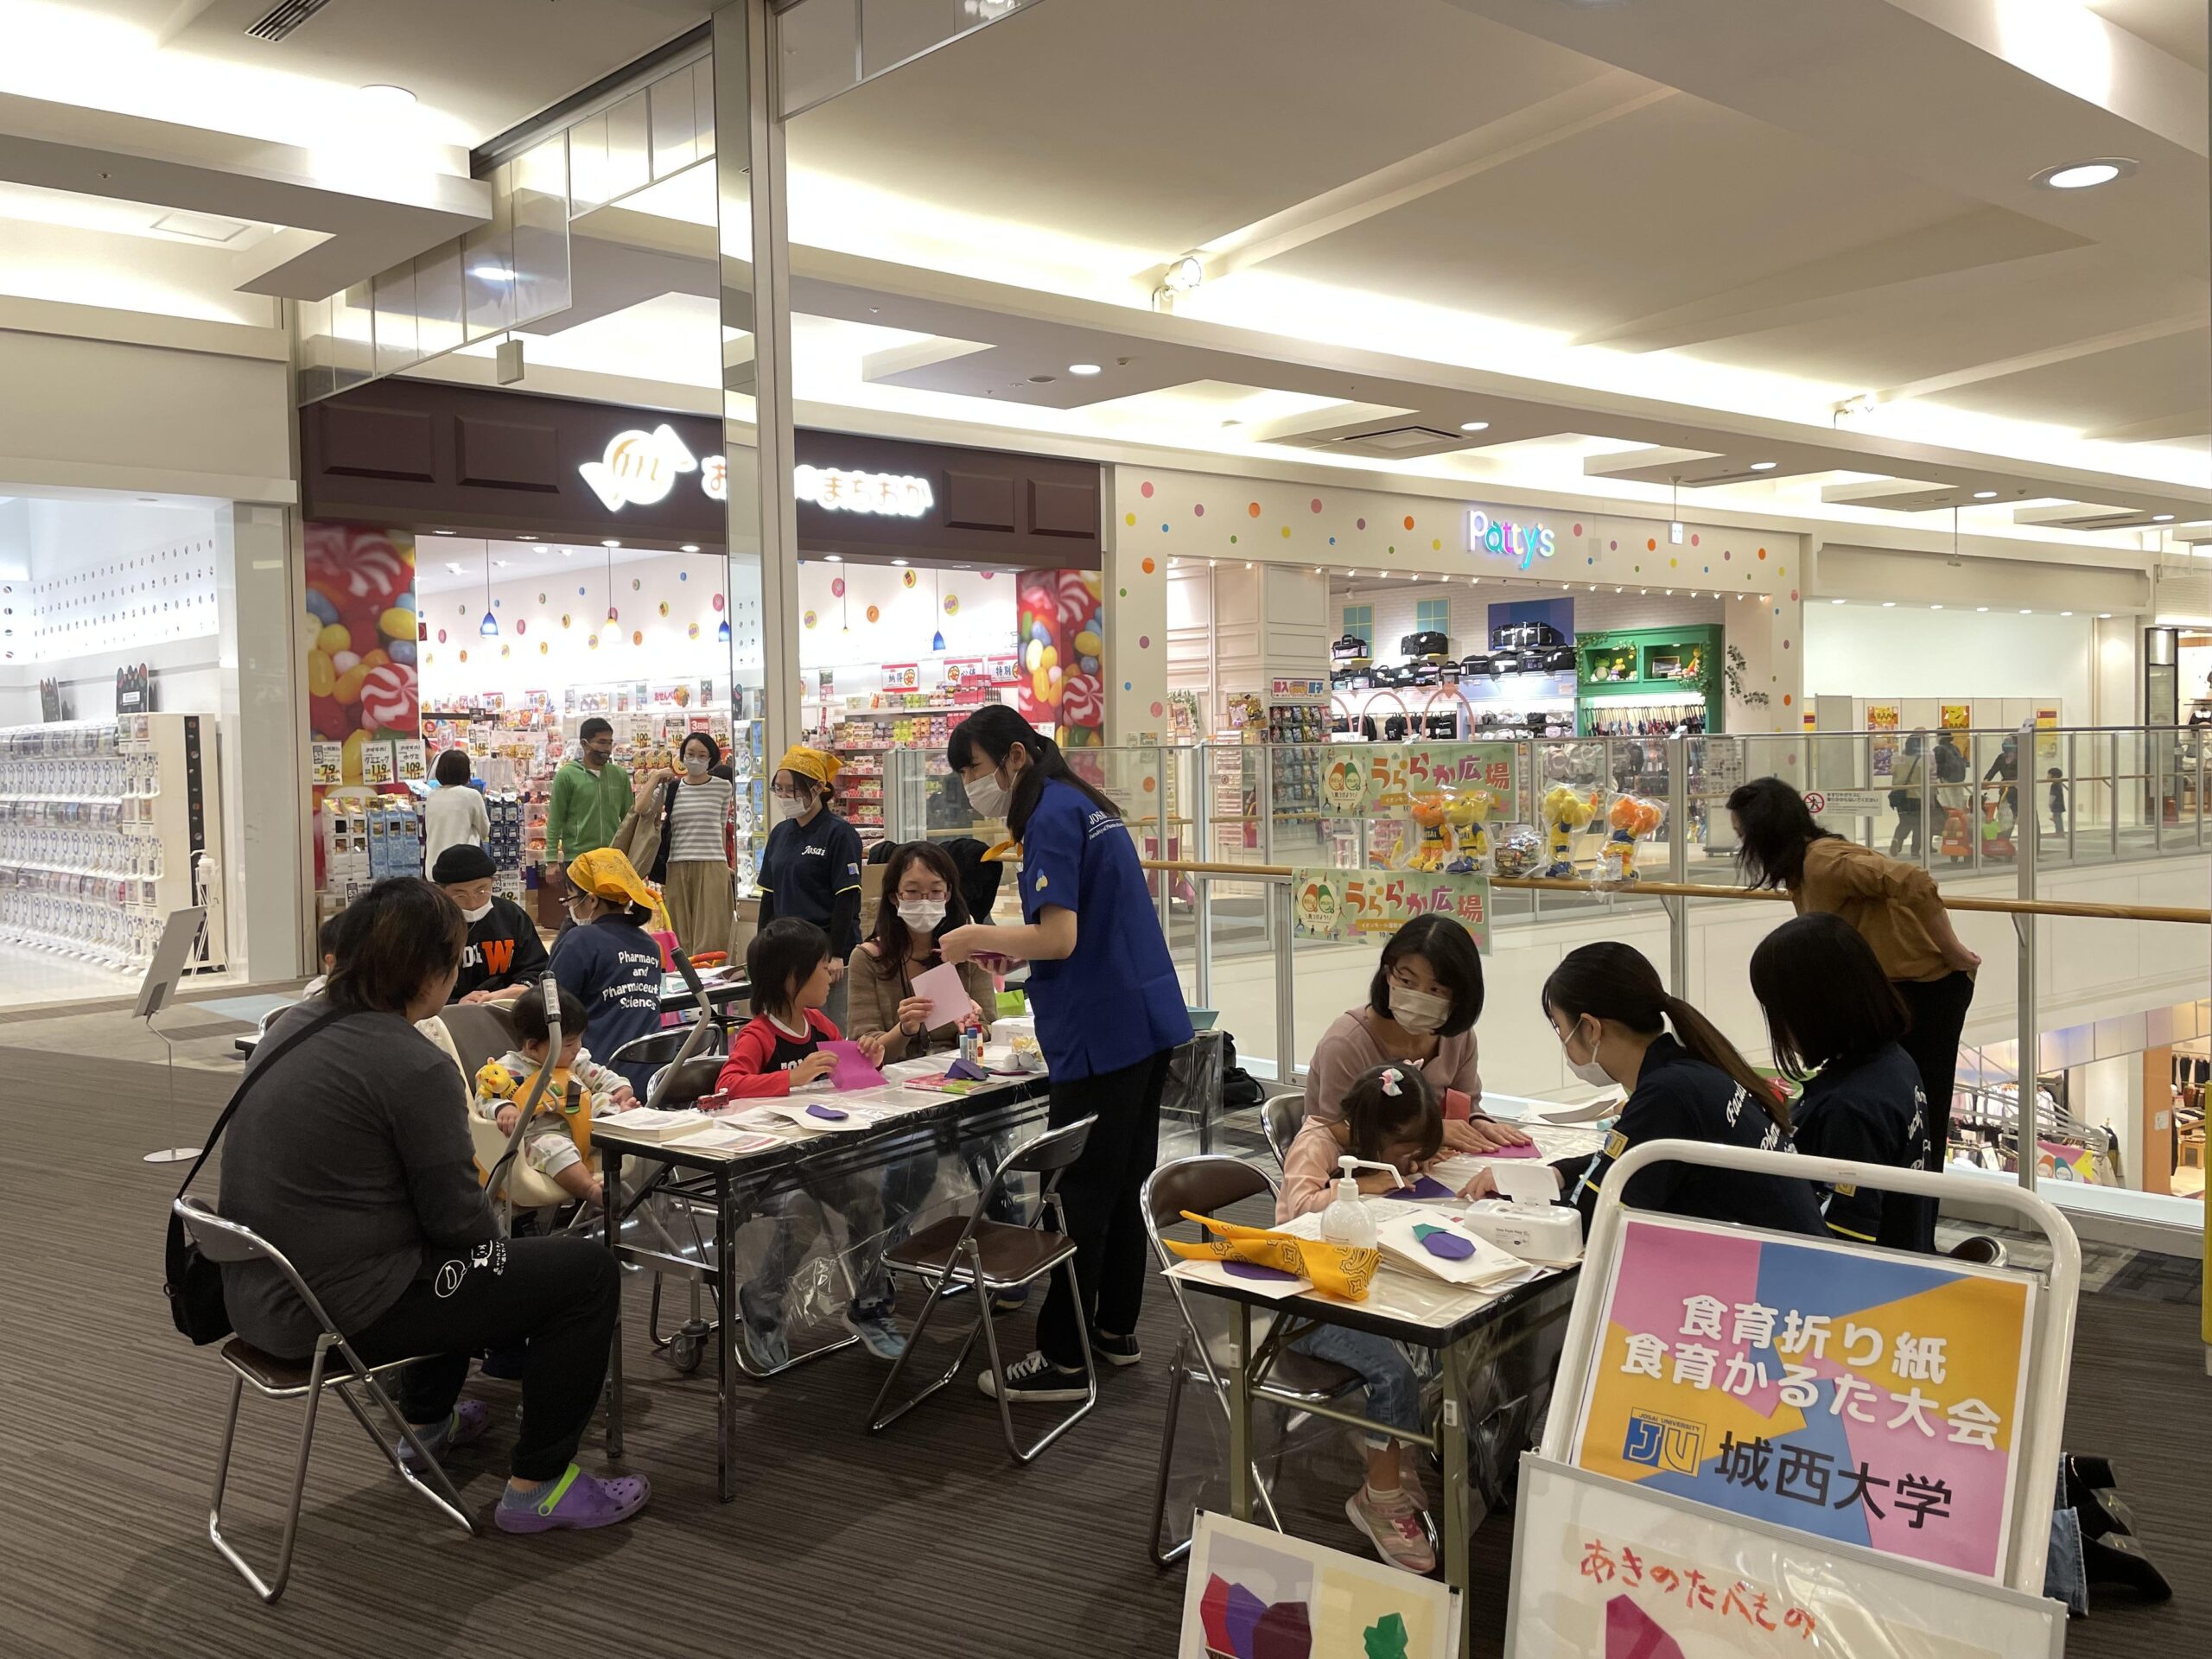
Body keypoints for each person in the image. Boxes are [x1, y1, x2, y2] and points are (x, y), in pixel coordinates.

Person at [216, 877, 646, 1533]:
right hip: (334, 1312)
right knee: (583, 1273)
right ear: (431, 973)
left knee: (449, 1255)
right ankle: (539, 1485)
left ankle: (426, 1424)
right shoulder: (413, 1063)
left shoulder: (290, 1026)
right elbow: (460, 1223)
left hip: (255, 1292)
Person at [938, 705, 1192, 1403]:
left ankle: (1063, 1357)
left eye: (973, 769)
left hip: (1102, 1030)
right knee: (1124, 1182)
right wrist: (1009, 951)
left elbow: (1059, 937)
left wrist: (976, 936)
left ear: (1015, 756)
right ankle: (1113, 1329)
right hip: (1140, 1017)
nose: (972, 786)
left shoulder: (1050, 814)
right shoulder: (1086, 806)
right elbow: (1083, 931)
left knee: (1076, 1193)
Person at [1466, 942, 1824, 1235]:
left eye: (1561, 1029)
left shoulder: (1667, 1095)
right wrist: (1551, 1174)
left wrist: (1504, 1206)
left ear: (1590, 1028)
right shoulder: (1688, 1068)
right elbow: (1624, 1161)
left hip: (1774, 1280)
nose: (1563, 1042)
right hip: (1794, 1262)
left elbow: (1592, 1220)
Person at [1726, 777, 1979, 1149]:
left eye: (1743, 835)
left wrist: (1953, 951)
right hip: (1894, 991)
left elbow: (1915, 881)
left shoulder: (1823, 862)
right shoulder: (1805, 869)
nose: (1743, 846)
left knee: (1921, 1114)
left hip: (1921, 991)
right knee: (1908, 1110)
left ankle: (1914, 1186)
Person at [715, 918, 917, 1365]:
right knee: (802, 1212)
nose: (831, 975)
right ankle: (764, 1298)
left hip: (814, 1158)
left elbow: (845, 1074)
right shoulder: (758, 1034)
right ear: (792, 978)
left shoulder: (820, 1025)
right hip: (762, 1166)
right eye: (823, 967)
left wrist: (869, 1059)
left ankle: (869, 1304)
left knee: (867, 1199)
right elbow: (728, 1086)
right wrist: (791, 1077)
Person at [1277, 1062, 1443, 1575]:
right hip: (1304, 1307)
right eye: (1404, 1150)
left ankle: (1392, 1456)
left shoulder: (1371, 1147)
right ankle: (1380, 1499)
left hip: (1359, 1292)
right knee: (1394, 1371)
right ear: (1372, 1132)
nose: (1408, 1162)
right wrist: (1363, 1187)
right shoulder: (1318, 1144)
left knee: (1433, 1345)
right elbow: (1295, 1211)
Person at [1749, 914, 1936, 1252]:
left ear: (1811, 1010)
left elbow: (1840, 1245)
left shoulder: (1850, 1109)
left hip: (1854, 1279)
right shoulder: (1893, 1062)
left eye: (1776, 1010)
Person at [1302, 914, 1531, 1154]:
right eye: (1406, 981)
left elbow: (1465, 1105)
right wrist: (1431, 1134)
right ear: (1388, 973)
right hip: (1348, 1166)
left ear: (1460, 996)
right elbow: (1339, 1132)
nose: (1418, 997)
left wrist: (1479, 1123)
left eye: (1435, 989)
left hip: (1426, 1161)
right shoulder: (1346, 1043)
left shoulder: (1457, 1038)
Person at [471, 983, 637, 1211]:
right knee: (553, 1148)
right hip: (544, 1135)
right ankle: (589, 1189)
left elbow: (598, 1074)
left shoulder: (573, 1061)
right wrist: (503, 1108)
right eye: (569, 1043)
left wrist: (619, 1089)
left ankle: (623, 1119)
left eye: (580, 1039)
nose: (577, 1048)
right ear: (533, 1046)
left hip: (586, 1128)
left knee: (603, 1100)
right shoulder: (508, 1071)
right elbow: (484, 1098)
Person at [847, 840, 993, 1062]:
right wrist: (904, 1029)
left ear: (948, 894)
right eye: (913, 891)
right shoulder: (868, 958)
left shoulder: (968, 952)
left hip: (958, 1069)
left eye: (936, 891)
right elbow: (864, 1049)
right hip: (895, 1077)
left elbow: (990, 1028)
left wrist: (971, 1028)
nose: (925, 901)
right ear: (894, 896)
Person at [755, 743, 865, 1031]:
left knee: (831, 1026)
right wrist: (761, 947)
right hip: (787, 951)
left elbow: (846, 898)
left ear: (817, 788)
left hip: (826, 951)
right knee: (790, 1028)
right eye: (778, 789)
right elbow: (769, 895)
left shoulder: (839, 834)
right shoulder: (780, 834)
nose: (783, 796)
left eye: (791, 789)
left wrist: (837, 954)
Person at [549, 848, 668, 1096]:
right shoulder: (649, 945)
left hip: (599, 1080)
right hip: (652, 1078)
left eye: (571, 898)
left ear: (592, 900)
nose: (570, 907)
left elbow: (549, 1007)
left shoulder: (580, 940)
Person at [623, 732, 736, 963]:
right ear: (682, 756)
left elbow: (720, 826)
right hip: (676, 865)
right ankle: (686, 981)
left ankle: (711, 982)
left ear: (711, 758)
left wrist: (725, 864)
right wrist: (655, 777)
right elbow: (640, 808)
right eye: (690, 754)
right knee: (680, 934)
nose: (695, 760)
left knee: (712, 932)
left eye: (702, 755)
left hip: (712, 864)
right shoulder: (672, 788)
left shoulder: (723, 787)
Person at [432, 844, 549, 1005]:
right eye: (460, 895)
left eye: (481, 891)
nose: (473, 903)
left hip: (506, 1006)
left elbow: (536, 966)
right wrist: (455, 1004)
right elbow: (417, 988)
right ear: (441, 891)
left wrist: (521, 988)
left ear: (493, 882)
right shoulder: (430, 923)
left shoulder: (510, 915)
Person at [546, 717, 633, 904]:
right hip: (578, 857)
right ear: (585, 744)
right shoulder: (567, 775)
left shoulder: (619, 776)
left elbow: (629, 818)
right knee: (581, 910)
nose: (607, 748)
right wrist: (551, 860)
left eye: (609, 743)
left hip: (611, 858)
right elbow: (555, 820)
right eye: (601, 742)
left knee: (611, 911)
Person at [422, 747, 488, 874]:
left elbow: (427, 830)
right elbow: (485, 831)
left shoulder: (432, 796)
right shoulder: (472, 795)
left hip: (434, 868)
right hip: (463, 868)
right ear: (466, 772)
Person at [1888, 729, 1927, 859]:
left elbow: (1893, 773)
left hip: (1899, 796)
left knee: (1904, 821)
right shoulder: (1921, 761)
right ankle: (1915, 851)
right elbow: (1926, 778)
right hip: (1916, 796)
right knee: (1918, 825)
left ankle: (1897, 839)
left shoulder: (1898, 759)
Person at [1983, 734, 2020, 821]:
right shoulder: (2001, 758)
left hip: (2017, 790)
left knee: (2014, 812)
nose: (2005, 744)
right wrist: (1986, 780)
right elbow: (1993, 770)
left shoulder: (2021, 758)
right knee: (2002, 810)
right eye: (2005, 742)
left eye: (2009, 742)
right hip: (2004, 789)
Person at [2047, 766, 2067, 838]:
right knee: (2057, 818)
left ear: (2054, 776)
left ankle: (2059, 832)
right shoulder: (2059, 784)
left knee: (2057, 819)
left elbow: (2053, 796)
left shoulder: (2054, 785)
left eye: (2049, 774)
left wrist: (2050, 804)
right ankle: (2060, 832)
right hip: (2059, 804)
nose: (2047, 776)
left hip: (2056, 804)